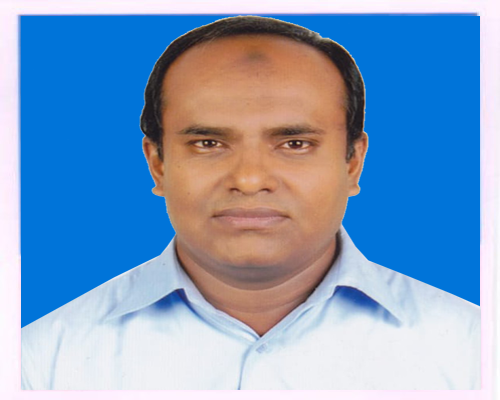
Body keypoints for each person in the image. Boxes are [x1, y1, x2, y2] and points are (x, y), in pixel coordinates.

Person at [21, 16, 480, 390]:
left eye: (295, 144)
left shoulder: (474, 351)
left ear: (353, 163)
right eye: (208, 143)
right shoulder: (39, 361)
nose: (249, 179)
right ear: (157, 164)